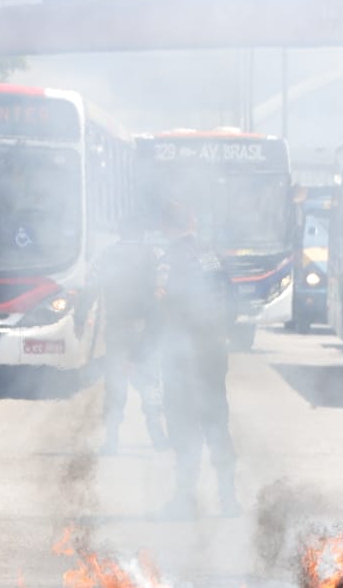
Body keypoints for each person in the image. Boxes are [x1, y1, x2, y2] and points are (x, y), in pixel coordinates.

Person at [155, 200, 239, 518]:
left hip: (183, 358)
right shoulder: (212, 256)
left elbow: (160, 304)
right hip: (214, 352)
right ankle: (229, 501)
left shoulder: (169, 260)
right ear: (191, 222)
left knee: (184, 428)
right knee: (217, 423)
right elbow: (233, 300)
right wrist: (221, 334)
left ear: (165, 226)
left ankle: (185, 501)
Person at [93, 214, 167, 455]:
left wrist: (81, 317)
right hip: (143, 329)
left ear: (121, 232)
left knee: (116, 385)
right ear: (141, 233)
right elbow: (161, 291)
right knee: (150, 382)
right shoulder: (152, 255)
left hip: (116, 329)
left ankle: (112, 439)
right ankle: (157, 435)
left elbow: (91, 284)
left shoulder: (107, 255)